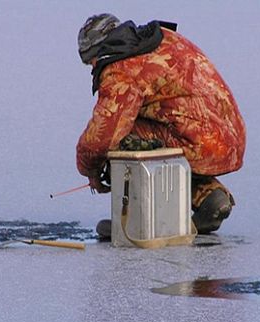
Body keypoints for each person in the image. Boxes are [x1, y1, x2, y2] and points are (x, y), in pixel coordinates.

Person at [76, 14, 246, 236]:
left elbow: (102, 138)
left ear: (97, 53)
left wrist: (90, 169)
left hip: (199, 141)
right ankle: (209, 197)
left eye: (91, 61)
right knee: (154, 135)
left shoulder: (120, 69)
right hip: (230, 137)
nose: (93, 67)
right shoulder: (163, 39)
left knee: (124, 136)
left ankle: (139, 222)